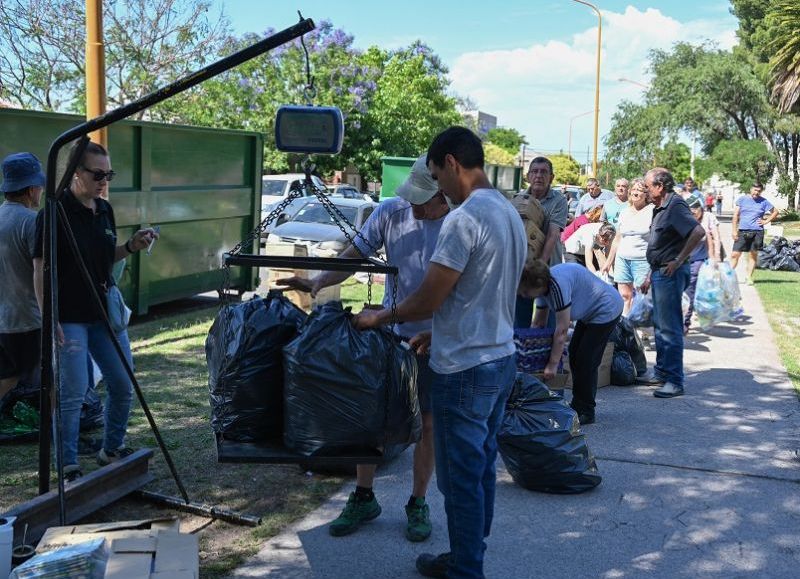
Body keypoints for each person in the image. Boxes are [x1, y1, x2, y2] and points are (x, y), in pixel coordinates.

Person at [353, 126, 526, 579]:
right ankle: (468, 554)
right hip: (498, 359)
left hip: (465, 372)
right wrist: (441, 333)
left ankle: (466, 568)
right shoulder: (507, 213)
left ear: (451, 163)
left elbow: (429, 299)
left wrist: (379, 318)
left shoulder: (463, 219)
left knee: (460, 480)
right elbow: (478, 294)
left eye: (436, 175)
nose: (438, 189)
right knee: (481, 468)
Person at [279, 154, 448, 543]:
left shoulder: (456, 225)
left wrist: (444, 332)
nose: (414, 206)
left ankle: (417, 502)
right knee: (367, 415)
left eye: (422, 199)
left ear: (443, 194)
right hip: (389, 332)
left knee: (426, 423)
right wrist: (318, 282)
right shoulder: (391, 212)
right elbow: (353, 258)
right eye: (412, 197)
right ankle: (363, 495)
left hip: (434, 339)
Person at [33, 141, 158, 482]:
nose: (104, 181)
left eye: (109, 174)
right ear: (76, 172)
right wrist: (49, 318)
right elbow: (40, 267)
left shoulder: (104, 210)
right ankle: (68, 465)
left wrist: (131, 246)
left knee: (122, 382)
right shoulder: (55, 212)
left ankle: (111, 449)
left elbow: (104, 258)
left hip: (104, 314)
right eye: (98, 174)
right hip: (70, 317)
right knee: (72, 393)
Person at [519, 261, 622, 425]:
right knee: (574, 355)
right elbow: (538, 323)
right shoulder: (544, 288)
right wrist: (527, 352)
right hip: (590, 312)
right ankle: (578, 404)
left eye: (525, 291)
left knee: (586, 361)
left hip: (606, 309)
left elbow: (561, 331)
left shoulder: (557, 286)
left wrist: (552, 364)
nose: (523, 294)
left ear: (538, 285)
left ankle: (587, 410)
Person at [639, 168, 705, 398]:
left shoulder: (675, 206)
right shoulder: (660, 207)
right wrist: (649, 274)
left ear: (659, 186)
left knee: (670, 328)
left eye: (647, 186)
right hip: (659, 272)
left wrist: (678, 260)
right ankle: (662, 372)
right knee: (660, 325)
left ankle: (675, 381)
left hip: (669, 273)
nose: (645, 190)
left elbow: (698, 232)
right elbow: (660, 244)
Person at [0, 153, 44, 411]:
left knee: (6, 375)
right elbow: (42, 270)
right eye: (39, 186)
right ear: (30, 190)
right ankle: (52, 434)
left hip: (4, 317)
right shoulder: (32, 221)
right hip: (27, 318)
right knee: (47, 376)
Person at [512, 157, 569, 329]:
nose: (539, 176)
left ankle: (550, 354)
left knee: (550, 322)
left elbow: (552, 235)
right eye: (535, 171)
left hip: (549, 267)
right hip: (522, 266)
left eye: (544, 172)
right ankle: (521, 352)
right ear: (528, 176)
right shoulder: (519, 198)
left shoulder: (558, 200)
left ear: (551, 177)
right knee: (519, 320)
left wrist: (540, 267)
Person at [602, 178, 654, 315]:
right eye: (634, 189)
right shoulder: (625, 211)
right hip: (622, 259)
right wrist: (608, 262)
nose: (636, 192)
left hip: (642, 260)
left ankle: (641, 329)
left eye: (640, 190)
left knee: (641, 297)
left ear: (646, 194)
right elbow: (618, 238)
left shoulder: (652, 210)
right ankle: (625, 327)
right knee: (624, 296)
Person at [683, 197, 723, 333]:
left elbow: (713, 239)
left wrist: (715, 258)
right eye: (690, 210)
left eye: (696, 209)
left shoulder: (707, 219)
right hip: (681, 261)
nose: (693, 212)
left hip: (698, 260)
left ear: (701, 209)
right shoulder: (682, 220)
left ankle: (685, 322)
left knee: (690, 290)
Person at [730, 183, 778, 285]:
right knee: (735, 254)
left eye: (759, 191)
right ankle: (728, 276)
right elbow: (735, 215)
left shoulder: (764, 201)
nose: (756, 192)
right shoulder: (742, 199)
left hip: (757, 232)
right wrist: (734, 230)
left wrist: (766, 221)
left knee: (753, 255)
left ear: (761, 191)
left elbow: (775, 212)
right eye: (755, 190)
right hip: (742, 231)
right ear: (751, 189)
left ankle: (748, 277)